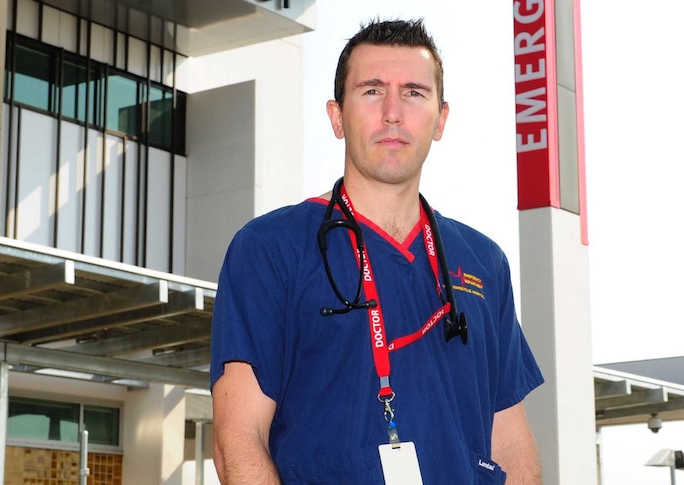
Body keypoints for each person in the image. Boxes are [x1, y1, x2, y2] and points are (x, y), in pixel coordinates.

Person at [210, 18, 544, 485]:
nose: (392, 111)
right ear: (336, 115)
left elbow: (510, 440)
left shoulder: (484, 263)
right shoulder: (270, 249)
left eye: (413, 92)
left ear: (441, 118)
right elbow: (238, 440)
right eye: (371, 91)